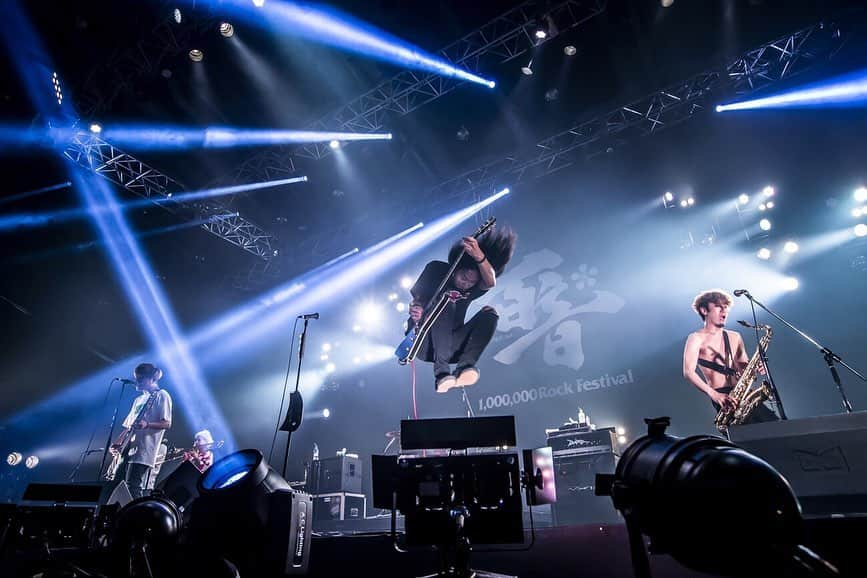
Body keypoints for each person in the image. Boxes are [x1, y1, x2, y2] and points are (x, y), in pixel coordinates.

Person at [407, 227, 516, 393]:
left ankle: (464, 368)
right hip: (423, 341)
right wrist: (417, 308)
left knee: (490, 312)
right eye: (464, 278)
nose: (466, 284)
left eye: (471, 283)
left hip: (452, 345)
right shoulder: (436, 269)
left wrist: (479, 256)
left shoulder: (472, 288)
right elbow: (417, 298)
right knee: (447, 299)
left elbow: (490, 282)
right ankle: (442, 374)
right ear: (456, 270)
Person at [682, 289, 778, 427]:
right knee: (749, 438)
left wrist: (755, 366)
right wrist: (714, 395)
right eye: (718, 306)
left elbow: (742, 365)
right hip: (724, 398)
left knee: (776, 426)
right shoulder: (696, 338)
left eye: (726, 307)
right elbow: (688, 372)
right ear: (704, 310)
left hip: (744, 393)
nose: (724, 311)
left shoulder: (735, 336)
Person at [111, 363, 173, 499]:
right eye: (136, 378)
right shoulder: (138, 400)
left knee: (133, 486)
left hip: (144, 450)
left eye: (140, 379)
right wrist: (118, 442)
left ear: (152, 379)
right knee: (115, 484)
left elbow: (167, 423)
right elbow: (129, 426)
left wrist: (147, 424)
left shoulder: (161, 395)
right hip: (128, 448)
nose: (137, 382)